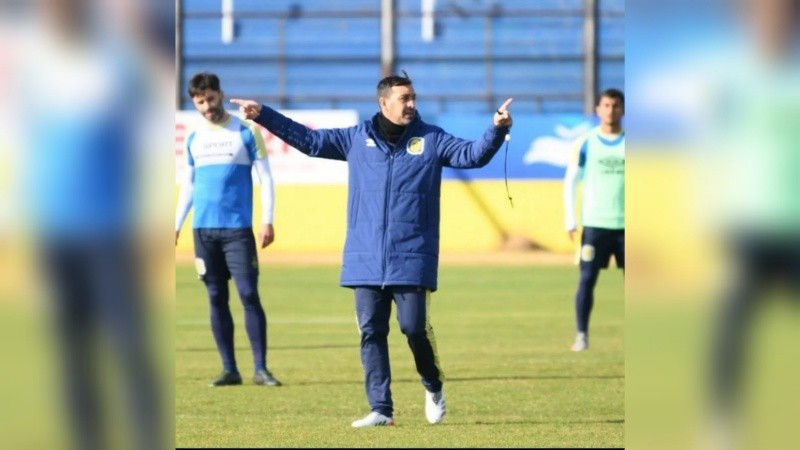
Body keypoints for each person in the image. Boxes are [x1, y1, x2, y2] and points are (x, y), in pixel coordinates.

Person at [229, 73, 513, 427]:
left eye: (413, 97)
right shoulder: (355, 138)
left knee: (413, 328)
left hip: (412, 254)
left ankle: (432, 383)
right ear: (384, 103)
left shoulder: (432, 139)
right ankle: (381, 409)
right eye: (404, 98)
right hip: (363, 256)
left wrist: (496, 129)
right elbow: (310, 141)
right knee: (371, 332)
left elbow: (473, 155)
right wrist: (264, 114)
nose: (411, 104)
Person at [175, 72, 282, 387]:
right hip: (203, 232)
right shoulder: (194, 138)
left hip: (237, 231)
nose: (207, 106)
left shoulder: (245, 131)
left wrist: (267, 219)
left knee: (248, 294)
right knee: (215, 296)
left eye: (210, 98)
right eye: (200, 102)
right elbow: (189, 186)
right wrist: (175, 225)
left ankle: (260, 368)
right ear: (194, 102)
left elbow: (266, 178)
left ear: (220, 95)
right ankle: (229, 369)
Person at [563, 88, 625, 352]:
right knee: (587, 280)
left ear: (623, 109)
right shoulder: (586, 142)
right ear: (598, 109)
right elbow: (571, 180)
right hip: (595, 225)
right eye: (606, 105)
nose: (611, 110)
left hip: (628, 227)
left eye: (616, 105)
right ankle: (582, 335)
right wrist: (570, 219)